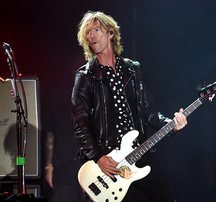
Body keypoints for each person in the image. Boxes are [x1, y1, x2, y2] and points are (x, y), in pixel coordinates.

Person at [71, 11, 188, 202]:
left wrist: (172, 124)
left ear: (110, 33)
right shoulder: (85, 76)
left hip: (138, 151)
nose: (91, 35)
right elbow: (80, 123)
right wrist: (99, 157)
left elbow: (148, 112)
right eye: (88, 32)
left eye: (96, 30)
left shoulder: (132, 69)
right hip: (108, 160)